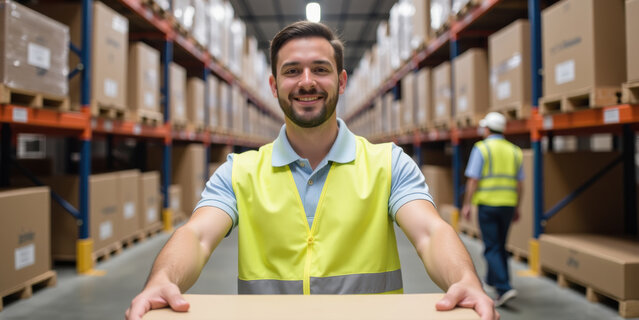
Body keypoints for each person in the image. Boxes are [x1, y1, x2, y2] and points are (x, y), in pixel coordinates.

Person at [126, 21, 498, 320]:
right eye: (292, 71)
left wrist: (464, 279)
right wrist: (162, 279)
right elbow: (197, 236)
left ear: (341, 81)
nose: (306, 81)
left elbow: (431, 233)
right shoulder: (239, 171)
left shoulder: (388, 163)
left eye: (320, 69)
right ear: (274, 85)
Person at [462, 112, 523, 307]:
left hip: (488, 204)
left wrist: (466, 204)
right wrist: (517, 206)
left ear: (487, 129)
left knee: (491, 247)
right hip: (508, 204)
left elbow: (473, 179)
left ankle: (504, 288)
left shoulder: (482, 148)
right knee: (500, 245)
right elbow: (520, 183)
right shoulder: (514, 150)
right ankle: (491, 280)